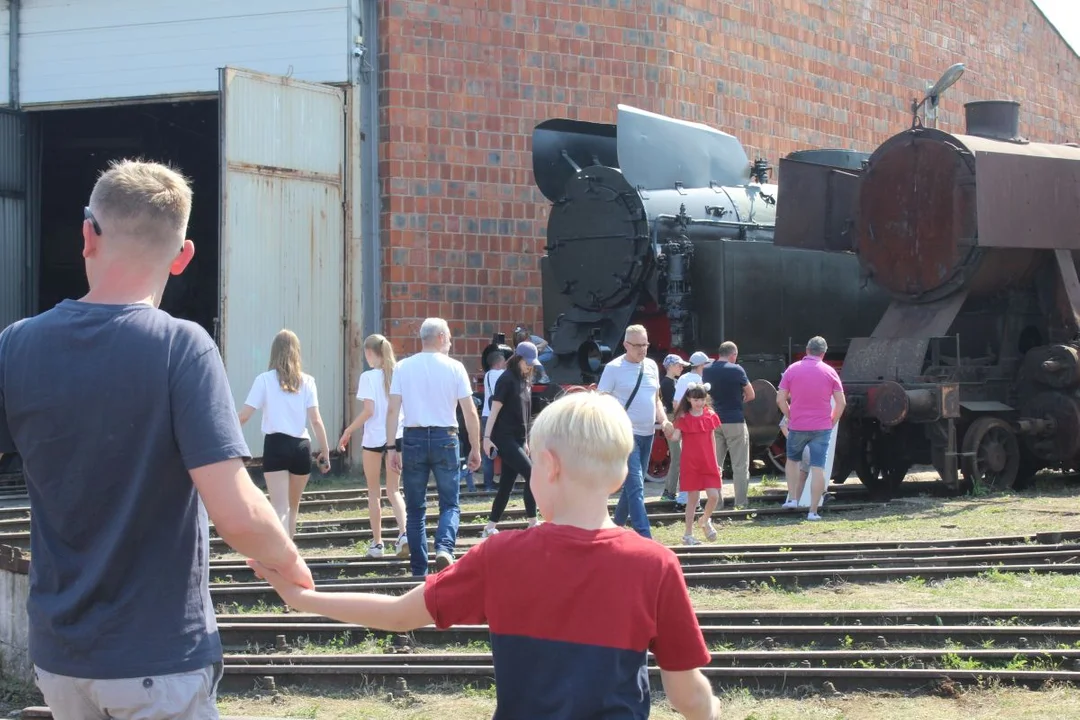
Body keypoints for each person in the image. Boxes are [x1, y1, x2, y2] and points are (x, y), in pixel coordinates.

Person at [0, 159, 312, 718]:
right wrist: (288, 561)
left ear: (86, 234)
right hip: (157, 657)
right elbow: (236, 513)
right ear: (183, 255)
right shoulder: (181, 348)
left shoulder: (16, 346)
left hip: (60, 658)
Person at [248, 390, 722, 720]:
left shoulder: (501, 555)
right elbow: (686, 695)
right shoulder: (655, 565)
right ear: (620, 478)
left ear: (549, 466)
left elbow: (398, 614)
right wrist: (712, 710)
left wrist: (304, 599)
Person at [387, 318, 482, 576]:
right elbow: (469, 412)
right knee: (450, 503)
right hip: (445, 437)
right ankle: (444, 549)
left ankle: (419, 569)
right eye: (449, 336)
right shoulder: (455, 367)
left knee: (415, 508)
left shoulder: (403, 367)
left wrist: (391, 448)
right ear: (440, 337)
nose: (450, 341)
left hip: (413, 438)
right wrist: (475, 446)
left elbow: (393, 410)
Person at [239, 329, 332, 538]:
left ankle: (280, 561)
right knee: (293, 508)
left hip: (276, 444)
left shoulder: (264, 380)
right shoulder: (307, 381)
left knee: (279, 508)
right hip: (302, 447)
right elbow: (315, 420)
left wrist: (225, 434)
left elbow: (244, 416)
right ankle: (291, 559)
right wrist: (325, 451)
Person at [596, 325, 673, 539]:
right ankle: (645, 537)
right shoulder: (613, 368)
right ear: (626, 345)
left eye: (645, 344)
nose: (643, 349)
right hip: (624, 434)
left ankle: (615, 527)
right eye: (638, 345)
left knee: (631, 490)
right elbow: (600, 399)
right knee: (637, 486)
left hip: (648, 433)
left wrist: (664, 421)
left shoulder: (650, 366)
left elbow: (656, 399)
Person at [338, 333, 407, 558]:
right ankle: (404, 534)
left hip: (373, 439)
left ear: (369, 353)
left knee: (374, 492)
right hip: (396, 437)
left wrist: (348, 430)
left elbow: (369, 411)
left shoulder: (368, 377)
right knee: (394, 490)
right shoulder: (398, 373)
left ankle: (377, 544)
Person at [777, 336, 846, 521]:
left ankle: (792, 498)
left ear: (807, 350)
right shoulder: (830, 372)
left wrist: (791, 415)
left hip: (798, 425)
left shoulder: (792, 369)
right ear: (823, 353)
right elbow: (841, 403)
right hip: (822, 426)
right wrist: (831, 421)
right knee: (818, 468)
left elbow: (780, 399)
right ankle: (813, 512)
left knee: (792, 461)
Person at [482, 342, 543, 538]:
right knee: (532, 474)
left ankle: (490, 526)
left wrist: (525, 440)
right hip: (504, 437)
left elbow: (524, 414)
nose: (530, 366)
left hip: (518, 438)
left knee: (507, 484)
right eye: (527, 362)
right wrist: (486, 437)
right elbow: (494, 411)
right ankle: (533, 522)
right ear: (518, 359)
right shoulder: (506, 379)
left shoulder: (525, 380)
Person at [665, 383, 722, 545]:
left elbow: (712, 439)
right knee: (693, 500)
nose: (699, 402)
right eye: (696, 399)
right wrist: (667, 427)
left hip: (708, 461)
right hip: (690, 463)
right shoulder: (683, 417)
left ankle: (704, 520)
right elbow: (676, 438)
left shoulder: (710, 415)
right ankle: (688, 534)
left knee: (714, 496)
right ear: (689, 399)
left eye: (702, 399)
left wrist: (717, 462)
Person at [702, 341, 756, 509]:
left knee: (715, 465)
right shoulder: (737, 370)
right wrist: (739, 400)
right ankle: (740, 503)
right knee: (740, 465)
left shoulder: (707, 370)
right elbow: (751, 394)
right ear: (733, 354)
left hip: (713, 421)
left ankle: (717, 504)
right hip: (735, 421)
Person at [669, 351, 710, 505]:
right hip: (695, 423)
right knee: (696, 463)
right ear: (701, 365)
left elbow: (675, 402)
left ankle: (684, 499)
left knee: (687, 462)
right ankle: (692, 501)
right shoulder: (698, 380)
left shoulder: (683, 378)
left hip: (683, 421)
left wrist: (678, 420)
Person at [660, 354, 690, 503]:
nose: (682, 367)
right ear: (670, 366)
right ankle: (669, 491)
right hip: (673, 420)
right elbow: (673, 404)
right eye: (679, 365)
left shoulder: (673, 382)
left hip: (675, 419)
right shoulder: (667, 383)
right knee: (677, 457)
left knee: (678, 456)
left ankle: (671, 491)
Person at [480, 351, 507, 492]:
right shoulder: (501, 374)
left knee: (487, 452)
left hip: (486, 415)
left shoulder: (488, 375)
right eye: (503, 361)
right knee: (506, 449)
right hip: (498, 416)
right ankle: (505, 483)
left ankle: (488, 485)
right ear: (498, 363)